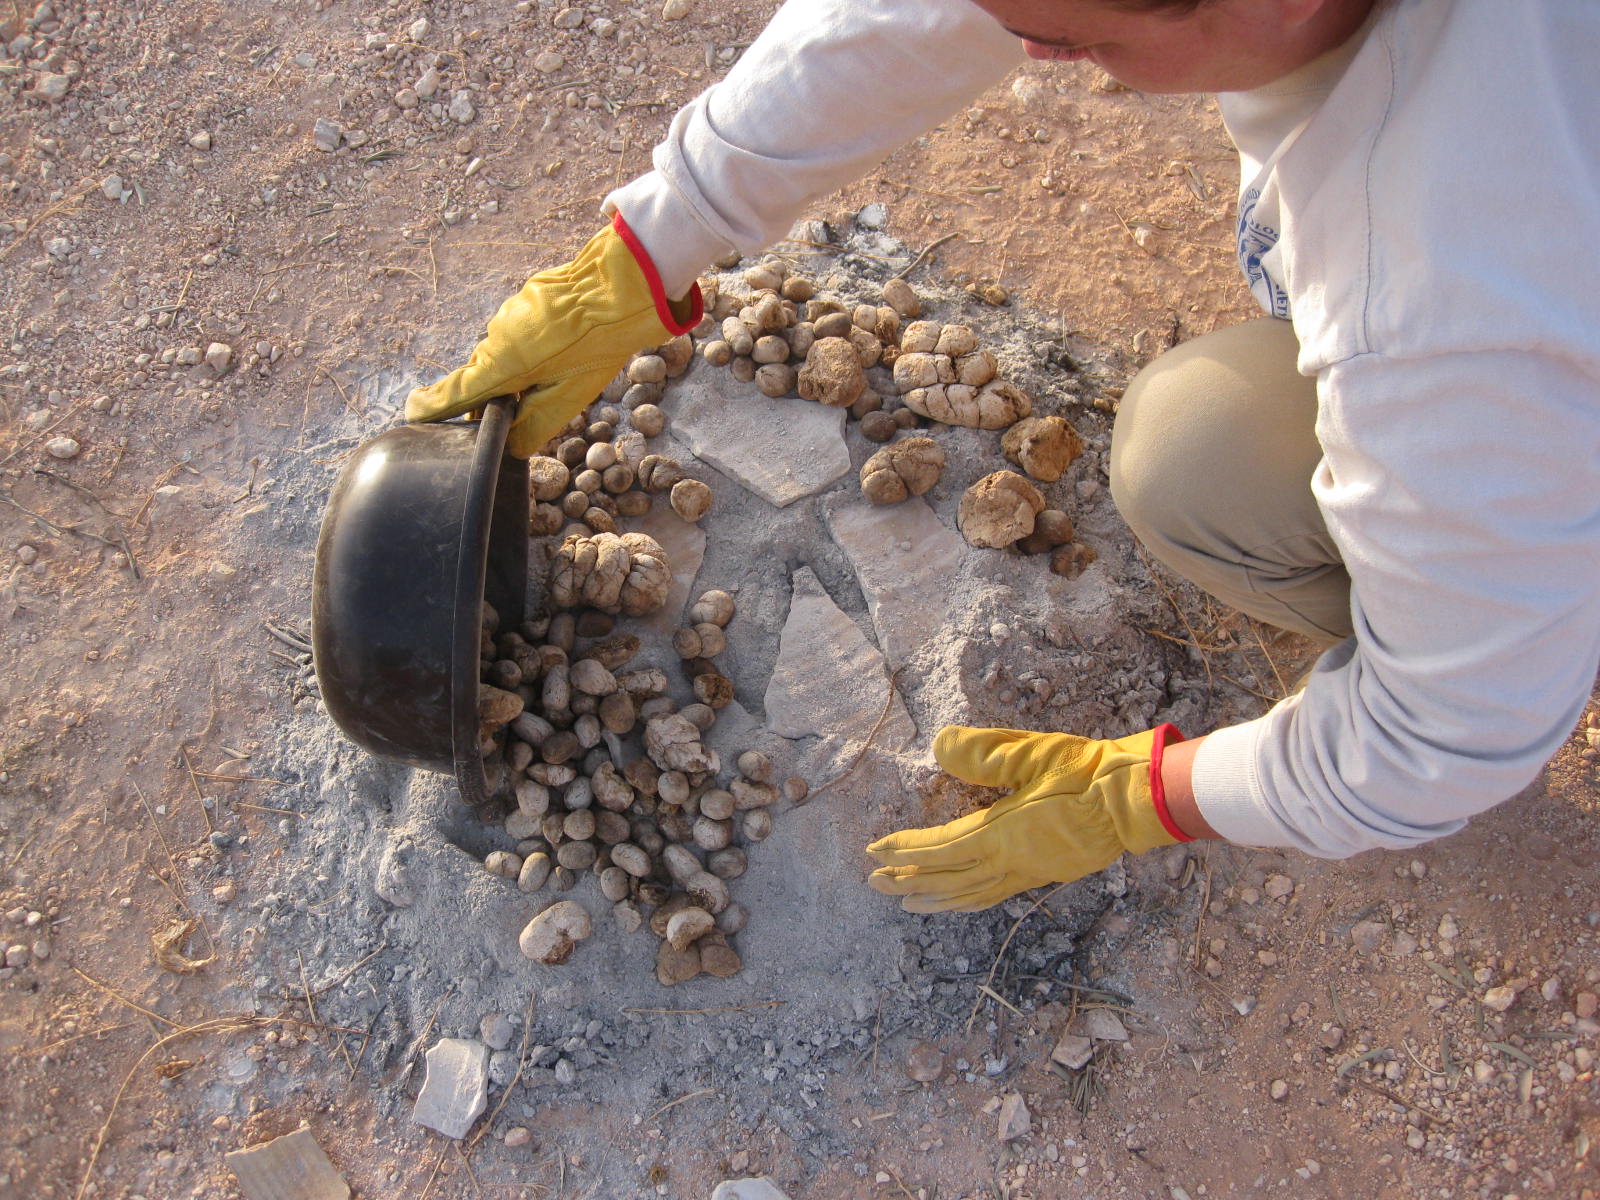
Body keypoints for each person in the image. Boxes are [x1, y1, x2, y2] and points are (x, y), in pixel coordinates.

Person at [407, 0, 1600, 913]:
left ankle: (1524, 588)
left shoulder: (1446, 305)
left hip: (1510, 354)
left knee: (1198, 467)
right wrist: (661, 229)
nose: (1038, 60)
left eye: (1066, 39)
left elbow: (1447, 733)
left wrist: (1157, 795)